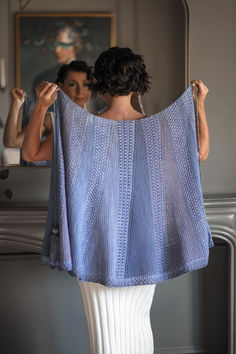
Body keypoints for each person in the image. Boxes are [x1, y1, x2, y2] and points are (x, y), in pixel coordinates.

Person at [22, 47, 211, 354]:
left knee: (105, 329)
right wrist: (199, 105)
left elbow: (30, 154)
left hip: (95, 244)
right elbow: (199, 153)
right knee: (138, 323)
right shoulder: (161, 129)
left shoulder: (78, 129)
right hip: (147, 245)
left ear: (100, 83)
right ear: (138, 85)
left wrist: (42, 107)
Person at [5, 60, 92, 164]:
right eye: (72, 84)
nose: (80, 90)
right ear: (61, 86)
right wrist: (16, 104)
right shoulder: (52, 120)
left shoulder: (98, 120)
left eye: (85, 84)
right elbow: (11, 142)